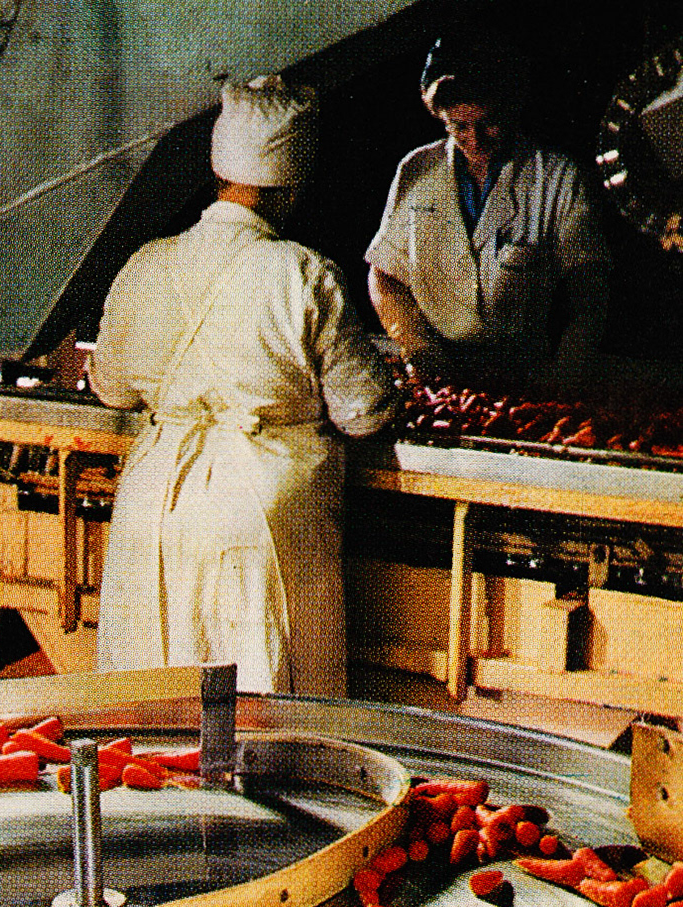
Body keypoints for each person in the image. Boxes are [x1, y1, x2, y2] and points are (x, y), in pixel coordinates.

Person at [88, 78, 396, 698]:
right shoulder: (304, 274)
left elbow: (110, 388)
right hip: (256, 513)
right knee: (264, 701)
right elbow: (364, 412)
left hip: (153, 509)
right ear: (291, 188)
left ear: (220, 176)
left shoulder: (147, 263)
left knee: (153, 699)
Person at [366, 31, 611, 393]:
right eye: (459, 126)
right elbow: (384, 277)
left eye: (489, 122)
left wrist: (565, 376)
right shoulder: (416, 169)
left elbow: (589, 294)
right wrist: (420, 349)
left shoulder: (557, 176)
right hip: (438, 368)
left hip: (528, 372)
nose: (475, 140)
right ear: (440, 117)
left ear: (512, 107)